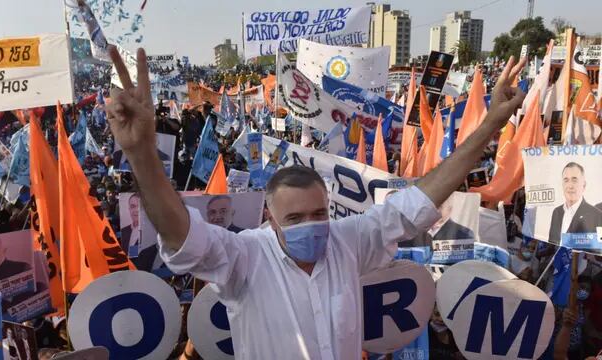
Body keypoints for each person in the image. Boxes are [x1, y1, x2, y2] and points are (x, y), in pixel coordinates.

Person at [105, 45, 527, 359]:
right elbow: (182, 235)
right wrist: (143, 155)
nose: (312, 225)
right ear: (270, 218)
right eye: (296, 218)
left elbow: (420, 198)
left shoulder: (349, 241)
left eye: (319, 214)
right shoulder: (244, 257)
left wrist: (491, 122)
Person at [548, 162, 602, 246]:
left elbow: (599, 248)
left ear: (584, 185)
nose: (570, 185)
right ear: (562, 185)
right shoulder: (556, 212)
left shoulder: (597, 215)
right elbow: (551, 245)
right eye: (566, 180)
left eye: (574, 180)